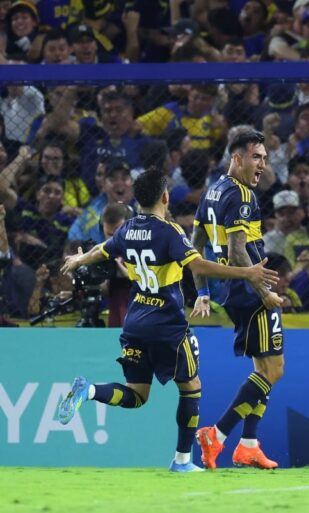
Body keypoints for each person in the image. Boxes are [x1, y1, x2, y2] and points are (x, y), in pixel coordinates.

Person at [54, 170, 279, 473]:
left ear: (137, 198)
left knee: (136, 394)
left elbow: (102, 249)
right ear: (165, 196)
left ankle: (89, 391)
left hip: (134, 323)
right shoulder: (170, 231)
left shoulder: (128, 229)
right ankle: (183, 461)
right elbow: (197, 264)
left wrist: (79, 259)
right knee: (191, 387)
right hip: (167, 324)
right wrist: (247, 273)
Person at [190, 127, 284, 470]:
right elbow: (237, 249)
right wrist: (265, 291)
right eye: (256, 157)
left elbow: (195, 245)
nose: (262, 165)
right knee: (274, 370)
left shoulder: (213, 190)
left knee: (262, 368)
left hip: (230, 292)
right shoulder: (243, 196)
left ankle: (249, 444)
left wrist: (202, 290)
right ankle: (218, 434)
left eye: (265, 158)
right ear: (237, 158)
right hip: (249, 291)